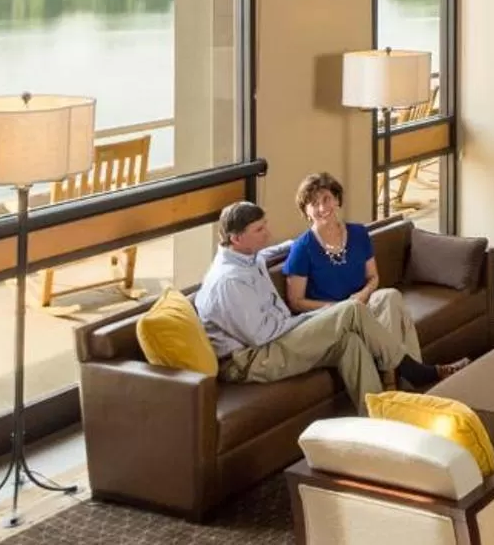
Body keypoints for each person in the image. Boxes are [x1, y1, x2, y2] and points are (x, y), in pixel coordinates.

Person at [195, 201, 432, 412]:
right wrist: (313, 317)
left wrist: (297, 244)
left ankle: (378, 420)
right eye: (259, 230)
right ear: (236, 239)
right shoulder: (229, 281)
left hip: (274, 339)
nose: (268, 233)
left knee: (350, 343)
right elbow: (261, 335)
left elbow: (270, 252)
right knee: (351, 310)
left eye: (265, 225)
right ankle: (412, 370)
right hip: (251, 359)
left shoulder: (247, 256)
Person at [281, 172, 466, 387]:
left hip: (362, 304)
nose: (322, 208)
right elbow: (296, 301)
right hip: (331, 317)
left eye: (326, 199)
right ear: (306, 211)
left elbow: (373, 277)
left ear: (337, 200)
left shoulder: (358, 233)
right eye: (314, 203)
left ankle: (398, 378)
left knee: (390, 297)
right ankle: (410, 378)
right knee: (378, 317)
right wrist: (340, 307)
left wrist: (362, 295)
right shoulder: (302, 248)